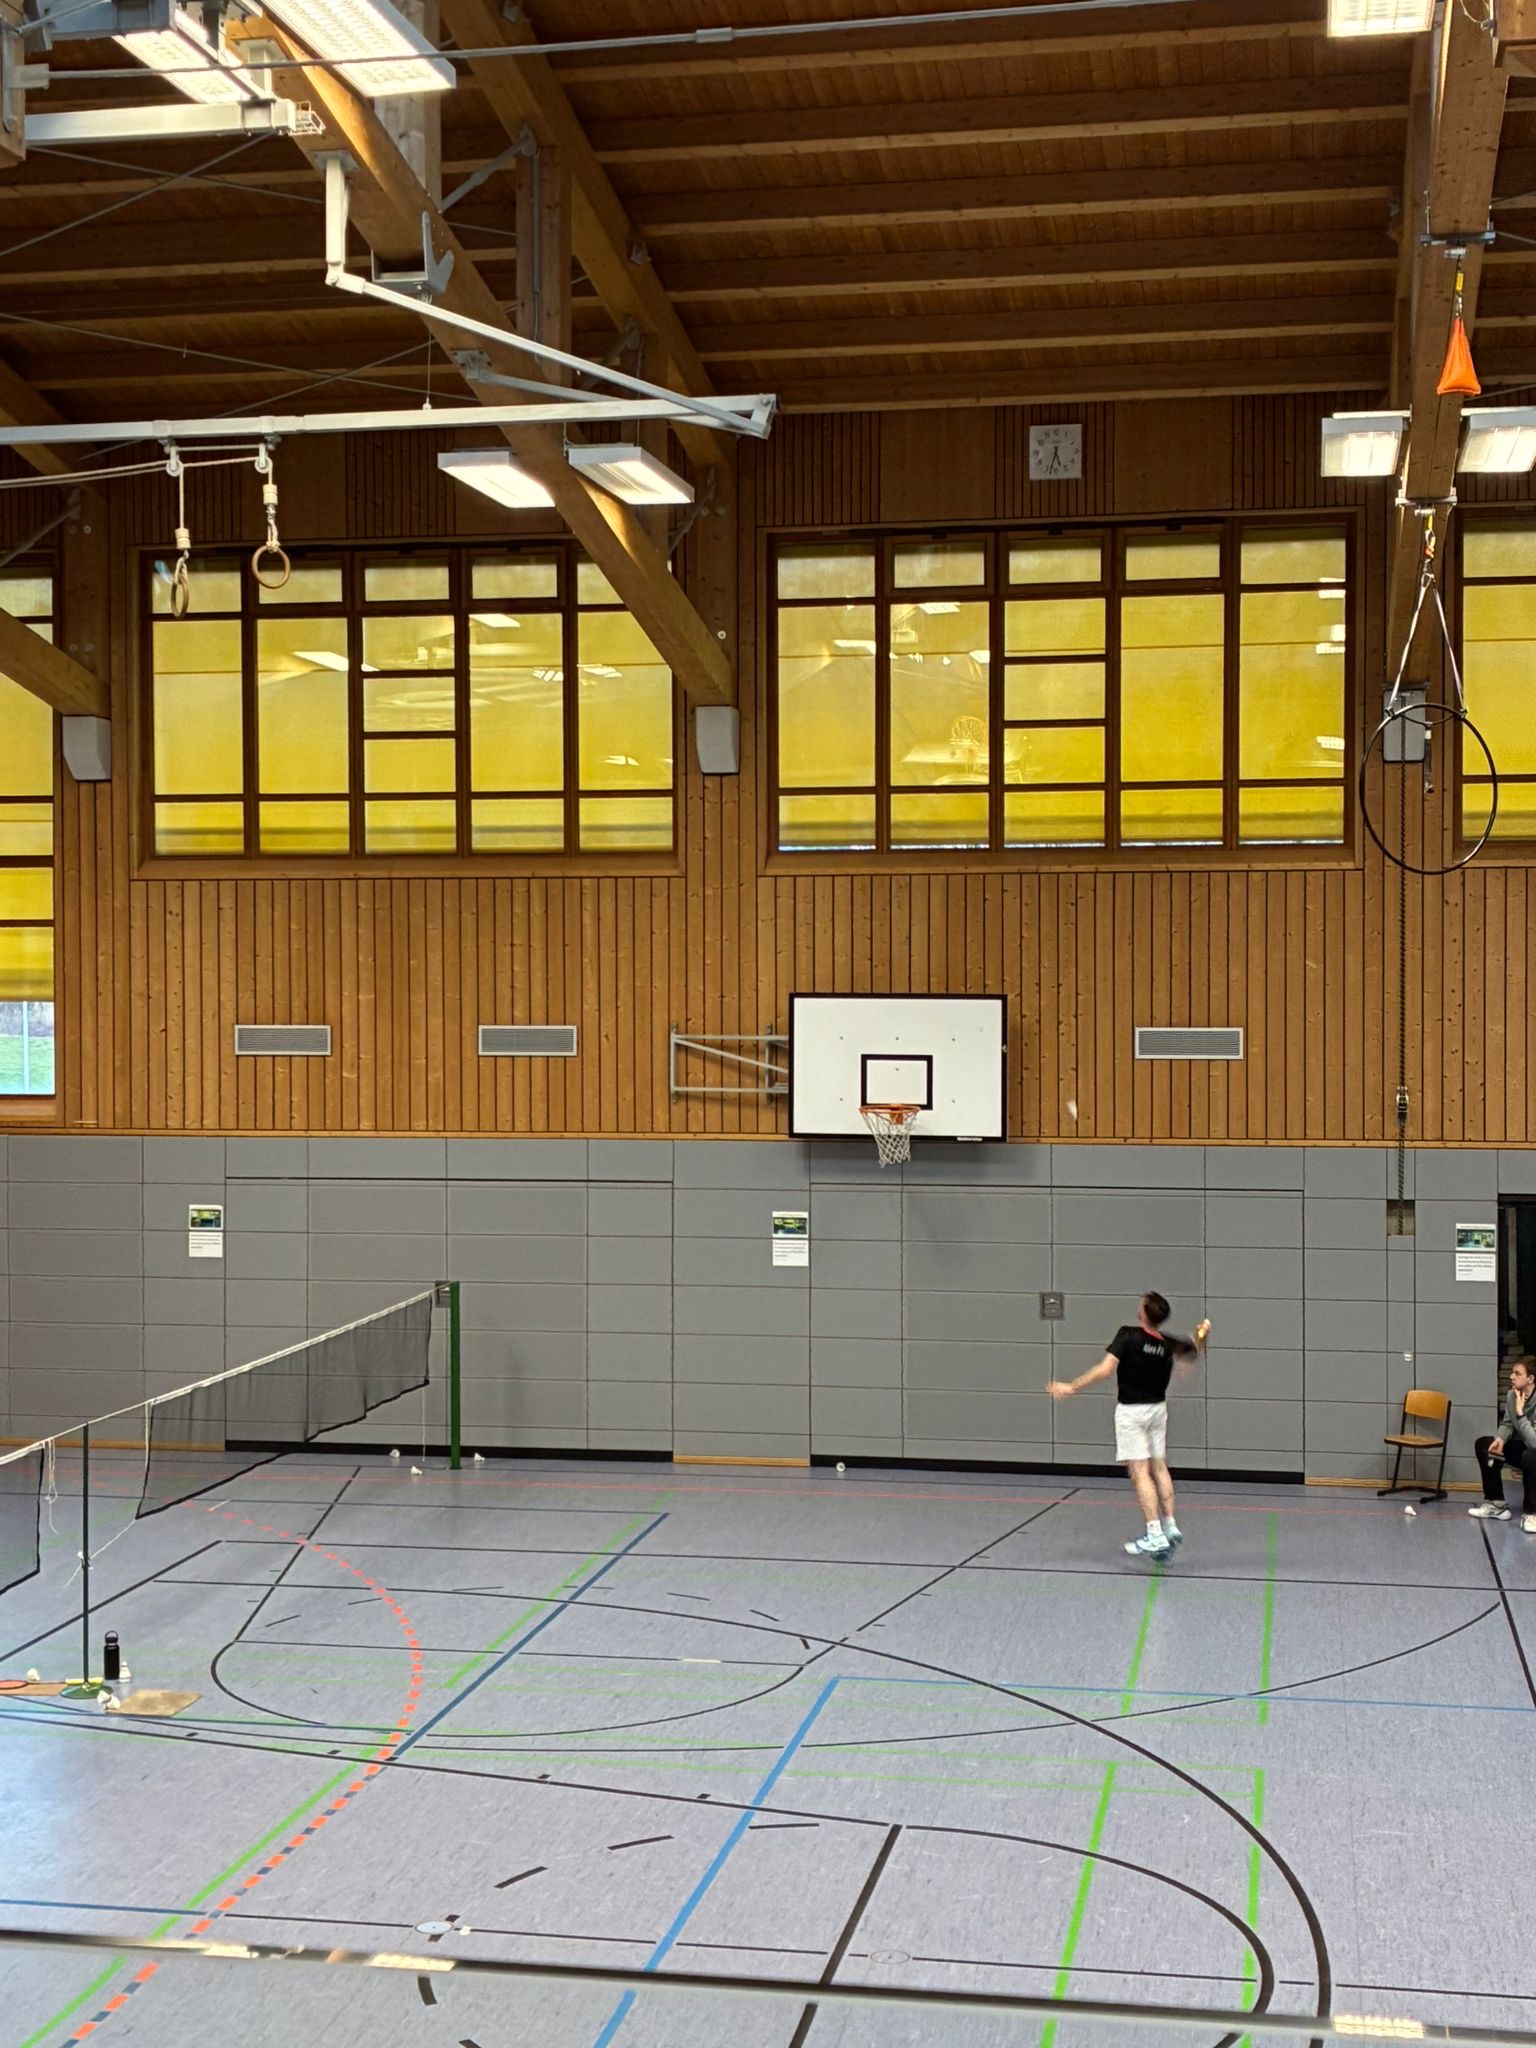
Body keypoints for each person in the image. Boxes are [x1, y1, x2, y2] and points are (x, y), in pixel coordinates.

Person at [1048, 1292, 1212, 1560]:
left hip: (1132, 1412)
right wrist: (1202, 1334)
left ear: (1144, 1312)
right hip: (1158, 1410)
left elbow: (1105, 1370)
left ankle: (1154, 1533)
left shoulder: (1128, 1336)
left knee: (1140, 1472)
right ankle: (1170, 1525)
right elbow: (1193, 1349)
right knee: (1159, 1466)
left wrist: (1072, 1387)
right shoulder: (1167, 1343)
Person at [1470, 1356, 1536, 1529]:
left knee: (1531, 1455)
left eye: (1517, 1373)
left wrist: (1521, 1415)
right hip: (1522, 1446)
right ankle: (1497, 1504)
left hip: (1533, 1450)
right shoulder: (1512, 1396)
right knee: (1484, 1445)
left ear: (1530, 1378)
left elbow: (1534, 1443)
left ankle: (1532, 1514)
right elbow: (1507, 1424)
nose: (1511, 1377)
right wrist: (1500, 1439)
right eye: (1512, 1373)